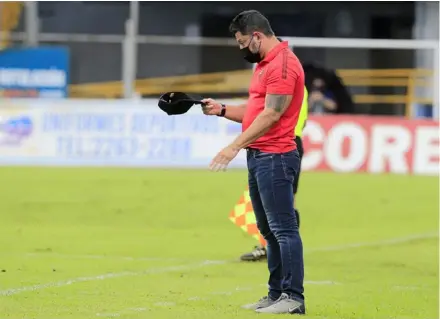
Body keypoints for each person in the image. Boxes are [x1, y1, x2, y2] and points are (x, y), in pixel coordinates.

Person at [201, 10, 306, 315]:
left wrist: (232, 147)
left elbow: (272, 114)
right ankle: (276, 294)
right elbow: (256, 109)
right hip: (259, 156)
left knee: (283, 229)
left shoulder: (283, 65)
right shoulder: (264, 65)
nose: (241, 48)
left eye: (243, 41)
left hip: (275, 157)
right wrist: (222, 109)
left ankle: (293, 298)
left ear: (257, 36)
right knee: (268, 230)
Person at [239, 86, 308, 262]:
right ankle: (277, 248)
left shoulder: (285, 86)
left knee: (277, 202)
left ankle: (278, 249)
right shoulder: (300, 86)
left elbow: (269, 112)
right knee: (281, 200)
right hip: (290, 140)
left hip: (282, 142)